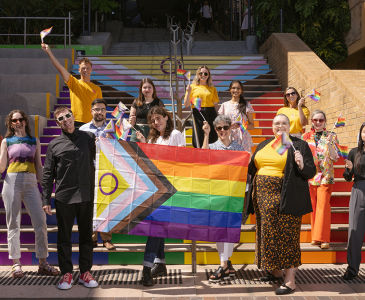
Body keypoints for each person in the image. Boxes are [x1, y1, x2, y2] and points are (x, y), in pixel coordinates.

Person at [247, 114, 316, 295]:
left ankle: (290, 280)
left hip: (286, 196)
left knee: (287, 235)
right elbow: (252, 167)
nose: (280, 126)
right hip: (262, 198)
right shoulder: (264, 145)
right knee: (268, 233)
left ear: (290, 125)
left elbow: (310, 171)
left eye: (284, 123)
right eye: (276, 123)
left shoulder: (299, 145)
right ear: (272, 126)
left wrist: (301, 165)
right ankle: (276, 270)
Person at [42, 107, 98, 290]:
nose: (66, 120)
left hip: (86, 196)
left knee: (86, 237)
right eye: (61, 119)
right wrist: (45, 200)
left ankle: (85, 273)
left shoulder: (89, 138)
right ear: (57, 123)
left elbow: (103, 158)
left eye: (68, 116)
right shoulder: (54, 145)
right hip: (64, 197)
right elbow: (48, 174)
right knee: (64, 238)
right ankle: (66, 273)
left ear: (73, 116)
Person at [0, 110, 59, 278]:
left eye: (20, 119)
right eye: (14, 120)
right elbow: (2, 167)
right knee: (13, 224)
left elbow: (39, 166)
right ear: (10, 124)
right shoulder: (6, 141)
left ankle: (43, 263)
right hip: (11, 181)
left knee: (41, 222)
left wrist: (46, 189)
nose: (17, 122)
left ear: (25, 121)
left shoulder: (35, 141)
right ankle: (16, 264)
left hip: (31, 181)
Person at [136, 106, 186, 286]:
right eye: (153, 120)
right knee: (157, 226)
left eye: (159, 118)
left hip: (170, 187)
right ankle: (160, 263)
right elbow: (149, 161)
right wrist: (144, 144)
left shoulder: (175, 135)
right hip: (155, 186)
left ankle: (146, 269)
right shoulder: (153, 137)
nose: (156, 122)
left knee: (155, 228)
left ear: (166, 117)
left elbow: (182, 159)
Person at [201, 115, 246, 282]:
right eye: (219, 128)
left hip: (234, 196)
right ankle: (226, 263)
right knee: (220, 230)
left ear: (230, 129)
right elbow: (203, 158)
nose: (222, 131)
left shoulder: (239, 148)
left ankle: (225, 264)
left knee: (229, 229)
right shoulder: (212, 146)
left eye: (225, 127)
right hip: (217, 195)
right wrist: (206, 135)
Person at [79, 98, 115, 251]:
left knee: (107, 204)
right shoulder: (83, 129)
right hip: (89, 170)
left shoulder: (113, 128)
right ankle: (92, 238)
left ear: (105, 111)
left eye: (102, 109)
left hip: (108, 171)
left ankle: (106, 238)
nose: (99, 112)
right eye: (96, 109)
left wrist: (112, 141)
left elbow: (122, 149)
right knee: (90, 205)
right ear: (91, 111)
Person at [41, 43, 102, 129]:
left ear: (91, 70)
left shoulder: (97, 88)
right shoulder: (73, 82)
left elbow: (100, 108)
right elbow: (60, 67)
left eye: (88, 68)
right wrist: (48, 51)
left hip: (92, 124)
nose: (86, 70)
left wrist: (103, 124)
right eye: (83, 68)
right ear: (79, 70)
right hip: (75, 122)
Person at [302, 110, 339, 249]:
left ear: (325, 121)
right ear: (311, 121)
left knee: (323, 206)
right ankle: (315, 237)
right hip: (311, 177)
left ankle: (323, 238)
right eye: (315, 120)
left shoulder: (332, 135)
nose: (318, 123)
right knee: (314, 207)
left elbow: (335, 157)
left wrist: (329, 144)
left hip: (325, 176)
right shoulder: (305, 136)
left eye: (321, 120)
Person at [342, 122, 365, 280]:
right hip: (359, 190)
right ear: (361, 134)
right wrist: (349, 170)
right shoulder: (353, 152)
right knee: (355, 231)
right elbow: (347, 177)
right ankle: (352, 268)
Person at [184, 65, 219, 148]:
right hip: (198, 111)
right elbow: (186, 104)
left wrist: (218, 118)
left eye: (205, 73)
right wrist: (188, 92)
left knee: (212, 135)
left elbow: (216, 105)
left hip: (211, 112)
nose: (203, 75)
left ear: (208, 75)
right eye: (201, 73)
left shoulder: (212, 88)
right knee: (199, 134)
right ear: (198, 75)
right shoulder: (192, 87)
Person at [218, 80, 255, 154]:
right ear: (230, 89)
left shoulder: (247, 105)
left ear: (241, 90)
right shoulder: (224, 105)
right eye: (233, 88)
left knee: (243, 162)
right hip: (228, 137)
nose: (236, 90)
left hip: (243, 138)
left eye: (238, 88)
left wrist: (240, 126)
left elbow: (252, 126)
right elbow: (219, 125)